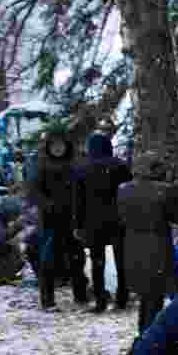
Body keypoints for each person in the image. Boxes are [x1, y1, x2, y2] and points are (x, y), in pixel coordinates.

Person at [118, 150, 178, 334]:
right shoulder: (165, 191)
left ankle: (145, 333)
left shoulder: (123, 189)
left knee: (147, 295)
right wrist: (177, 193)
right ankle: (148, 337)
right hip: (157, 245)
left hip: (132, 244)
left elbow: (120, 216)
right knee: (155, 296)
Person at [29, 128, 89, 310]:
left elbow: (82, 189)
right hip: (50, 220)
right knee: (48, 260)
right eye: (54, 146)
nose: (57, 149)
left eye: (60, 145)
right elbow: (33, 191)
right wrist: (49, 205)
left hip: (72, 218)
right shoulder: (41, 165)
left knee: (77, 259)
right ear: (48, 147)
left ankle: (81, 295)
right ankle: (47, 300)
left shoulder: (75, 164)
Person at [74, 133, 133, 312]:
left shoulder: (82, 170)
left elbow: (78, 200)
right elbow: (129, 192)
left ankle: (100, 299)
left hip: (93, 221)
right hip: (118, 219)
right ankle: (123, 296)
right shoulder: (120, 166)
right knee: (121, 259)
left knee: (97, 260)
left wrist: (78, 224)